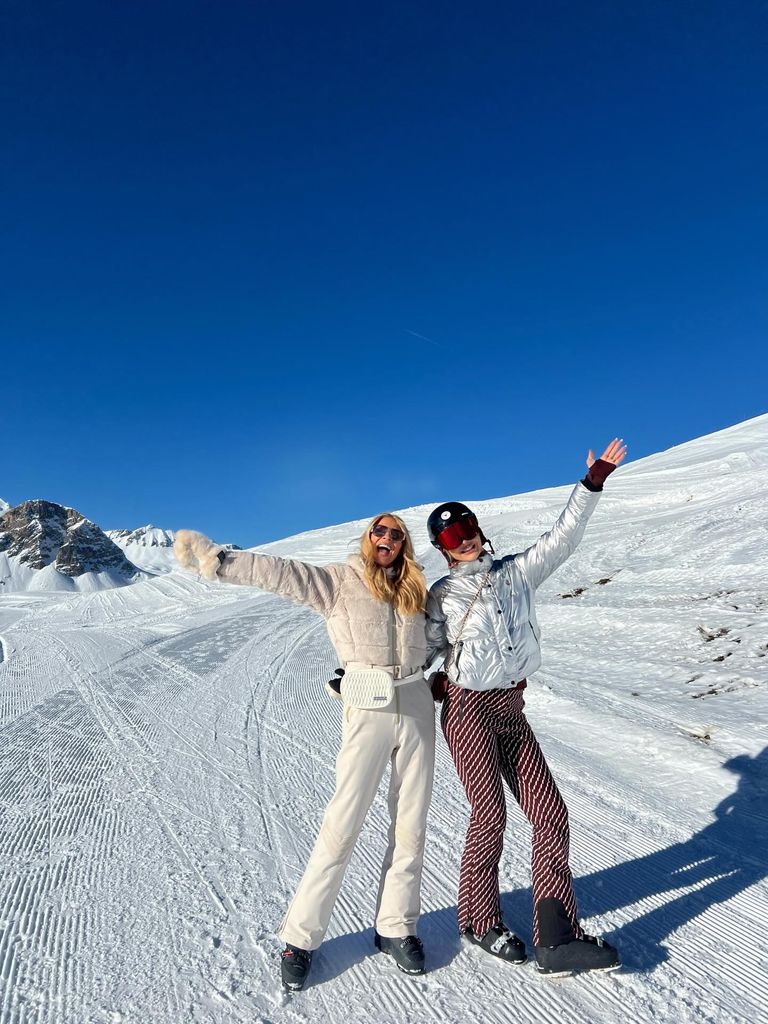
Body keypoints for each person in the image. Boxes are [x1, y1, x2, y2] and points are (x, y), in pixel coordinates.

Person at [174, 515, 435, 991]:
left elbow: (446, 637)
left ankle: (397, 927)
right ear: (367, 539)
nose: (388, 540)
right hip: (369, 706)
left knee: (411, 824)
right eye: (380, 531)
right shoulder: (339, 581)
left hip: (417, 702)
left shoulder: (416, 590)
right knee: (343, 824)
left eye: (397, 534)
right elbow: (281, 574)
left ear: (405, 544)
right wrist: (219, 561)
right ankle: (301, 938)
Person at [425, 439, 626, 976]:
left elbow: (563, 539)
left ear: (478, 530)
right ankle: (477, 920)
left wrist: (591, 485)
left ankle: (556, 938)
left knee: (549, 812)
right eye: (450, 535)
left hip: (511, 708)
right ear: (441, 548)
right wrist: (368, 677)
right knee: (489, 813)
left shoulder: (516, 573)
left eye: (466, 528)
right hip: (467, 709)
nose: (463, 539)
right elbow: (414, 651)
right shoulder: (440, 595)